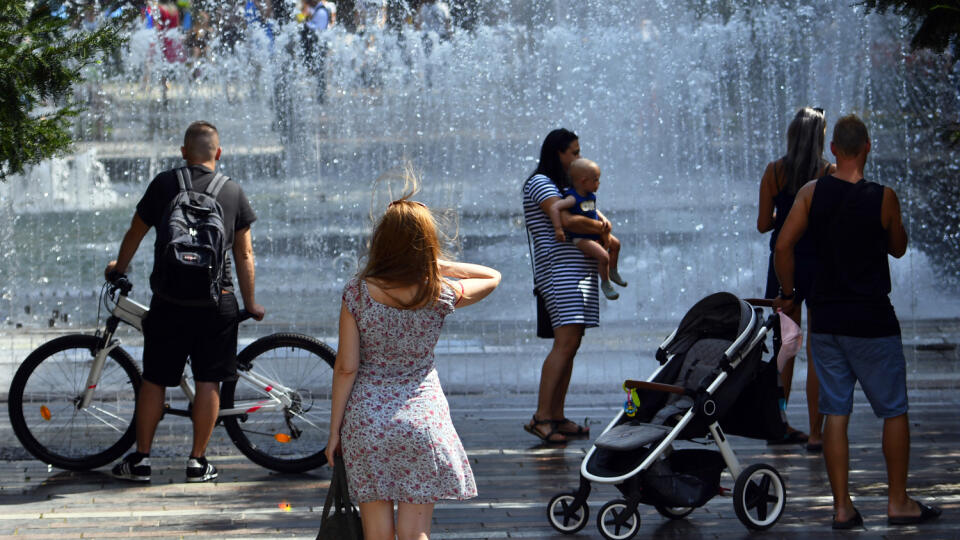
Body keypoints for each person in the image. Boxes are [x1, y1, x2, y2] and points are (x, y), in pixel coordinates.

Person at [775, 114, 941, 529]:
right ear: (868, 147)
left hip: (827, 318)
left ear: (833, 150)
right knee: (894, 411)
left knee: (836, 413)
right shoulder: (883, 197)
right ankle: (898, 502)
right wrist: (891, 221)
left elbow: (783, 245)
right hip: (872, 321)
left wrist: (791, 294)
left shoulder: (812, 193)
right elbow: (899, 249)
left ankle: (842, 507)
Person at [325, 194, 501, 540]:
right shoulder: (438, 292)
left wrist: (335, 433)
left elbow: (346, 368)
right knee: (414, 533)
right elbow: (492, 276)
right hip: (422, 419)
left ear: (381, 242)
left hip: (366, 423)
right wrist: (436, 265)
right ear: (426, 244)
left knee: (376, 534)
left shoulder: (358, 293)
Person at [105, 121, 265, 483]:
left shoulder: (164, 184)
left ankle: (141, 460)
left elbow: (136, 231)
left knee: (154, 380)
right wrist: (251, 302)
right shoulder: (233, 192)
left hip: (169, 300)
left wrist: (119, 267)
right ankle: (197, 462)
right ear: (218, 154)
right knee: (209, 382)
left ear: (183, 152)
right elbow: (245, 253)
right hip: (216, 300)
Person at [522, 129, 609, 444]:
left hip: (577, 271)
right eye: (573, 152)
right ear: (557, 153)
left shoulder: (566, 187)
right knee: (564, 343)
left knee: (572, 342)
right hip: (559, 271)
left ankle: (556, 416)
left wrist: (596, 224)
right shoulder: (540, 183)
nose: (578, 157)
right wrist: (601, 225)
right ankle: (542, 418)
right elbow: (570, 222)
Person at [757, 106, 834, 451]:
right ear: (820, 138)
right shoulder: (827, 172)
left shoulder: (774, 171)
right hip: (819, 262)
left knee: (785, 348)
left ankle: (779, 422)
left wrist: (783, 216)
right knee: (818, 350)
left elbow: (762, 224)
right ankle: (817, 434)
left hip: (783, 262)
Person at [548, 158, 627, 300]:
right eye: (596, 180)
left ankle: (613, 271)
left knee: (616, 245)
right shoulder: (572, 198)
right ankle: (605, 283)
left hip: (595, 232)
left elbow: (593, 210)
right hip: (582, 237)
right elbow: (554, 207)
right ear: (584, 181)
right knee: (603, 257)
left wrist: (604, 219)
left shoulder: (589, 196)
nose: (599, 183)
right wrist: (558, 228)